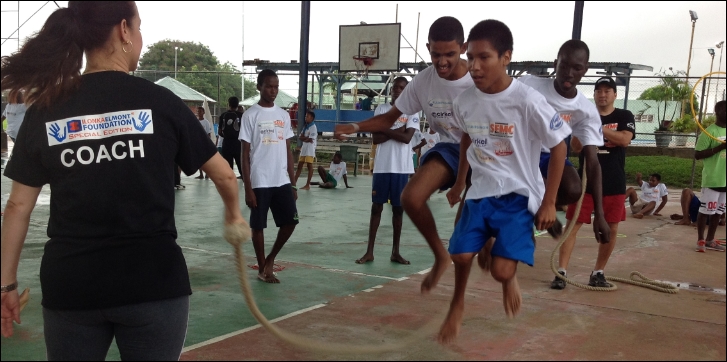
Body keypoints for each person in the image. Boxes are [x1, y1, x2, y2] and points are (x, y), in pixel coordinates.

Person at [0, 2, 248, 360]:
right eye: (139, 26)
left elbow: (17, 206)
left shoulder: (48, 109)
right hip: (153, 285)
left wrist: (6, 284)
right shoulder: (161, 102)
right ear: (123, 31)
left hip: (72, 287)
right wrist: (233, 216)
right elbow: (225, 174)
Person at [443, 19, 571, 344]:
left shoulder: (527, 101)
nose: (473, 66)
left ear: (506, 57)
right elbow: (466, 139)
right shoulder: (465, 101)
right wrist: (459, 183)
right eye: (469, 57)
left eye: (483, 57)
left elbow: (559, 146)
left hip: (518, 195)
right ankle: (479, 256)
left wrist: (549, 202)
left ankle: (507, 274)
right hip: (480, 190)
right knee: (459, 257)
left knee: (501, 271)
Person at [335, 16, 474, 293]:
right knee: (410, 197)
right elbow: (389, 118)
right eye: (435, 54)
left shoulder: (478, 79)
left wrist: (461, 183)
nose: (442, 61)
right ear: (427, 48)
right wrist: (354, 126)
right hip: (449, 148)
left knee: (468, 243)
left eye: (450, 54)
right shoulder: (423, 82)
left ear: (464, 48)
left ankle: (459, 291)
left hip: (482, 151)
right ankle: (439, 256)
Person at [519, 40, 609, 243]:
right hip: (522, 153)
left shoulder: (585, 110)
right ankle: (530, 210)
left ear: (585, 70)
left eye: (577, 68)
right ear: (555, 64)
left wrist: (600, 215)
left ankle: (541, 207)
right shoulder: (529, 85)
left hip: (551, 156)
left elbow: (593, 163)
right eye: (564, 65)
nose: (569, 73)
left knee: (573, 189)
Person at [550, 76, 636, 290]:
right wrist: (586, 125)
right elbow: (578, 146)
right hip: (586, 183)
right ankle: (561, 272)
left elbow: (624, 139)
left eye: (608, 90)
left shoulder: (624, 115)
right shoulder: (585, 114)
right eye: (599, 91)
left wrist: (597, 126)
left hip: (614, 182)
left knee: (611, 228)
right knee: (572, 226)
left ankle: (598, 272)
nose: (603, 94)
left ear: (615, 94)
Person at [240, 69, 299, 283]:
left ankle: (269, 260)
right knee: (259, 227)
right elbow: (244, 154)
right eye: (269, 86)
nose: (273, 90)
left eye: (276, 86)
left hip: (281, 180)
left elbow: (288, 151)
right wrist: (248, 188)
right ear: (259, 87)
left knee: (291, 221)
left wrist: (293, 184)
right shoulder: (250, 115)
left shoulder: (283, 115)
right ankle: (262, 268)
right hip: (259, 180)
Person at [356, 77, 419, 265]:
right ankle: (369, 252)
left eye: (402, 87)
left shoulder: (412, 111)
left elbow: (407, 138)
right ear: (391, 90)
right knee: (376, 207)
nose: (397, 90)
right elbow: (376, 138)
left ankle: (395, 252)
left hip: (401, 168)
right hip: (382, 167)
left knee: (398, 210)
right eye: (395, 87)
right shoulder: (382, 110)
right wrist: (397, 130)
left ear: (407, 90)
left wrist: (386, 129)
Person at [693, 100, 726, 252]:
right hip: (713, 178)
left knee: (719, 212)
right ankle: (700, 239)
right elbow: (698, 155)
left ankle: (710, 240)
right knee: (706, 210)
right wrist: (720, 147)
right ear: (718, 112)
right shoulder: (709, 132)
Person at [219, 96, 244, 179]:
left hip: (226, 144)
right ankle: (247, 189)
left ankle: (230, 188)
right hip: (238, 144)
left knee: (228, 169)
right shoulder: (241, 115)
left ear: (228, 104)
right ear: (237, 105)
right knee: (241, 167)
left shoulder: (223, 115)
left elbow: (220, 132)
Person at [293, 110, 317, 190]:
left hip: (310, 149)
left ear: (312, 118)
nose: (305, 118)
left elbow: (310, 139)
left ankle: (307, 185)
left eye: (307, 116)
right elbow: (300, 137)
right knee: (300, 165)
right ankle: (294, 183)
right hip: (304, 148)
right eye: (305, 116)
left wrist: (304, 138)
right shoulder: (306, 126)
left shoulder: (313, 127)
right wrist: (305, 138)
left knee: (309, 165)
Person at [195, 106, 214, 179]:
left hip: (204, 142)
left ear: (203, 112)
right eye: (198, 111)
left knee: (205, 159)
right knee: (199, 159)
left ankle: (207, 173)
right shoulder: (195, 121)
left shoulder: (206, 122)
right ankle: (201, 174)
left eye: (200, 111)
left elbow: (209, 133)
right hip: (197, 142)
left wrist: (208, 143)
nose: (199, 113)